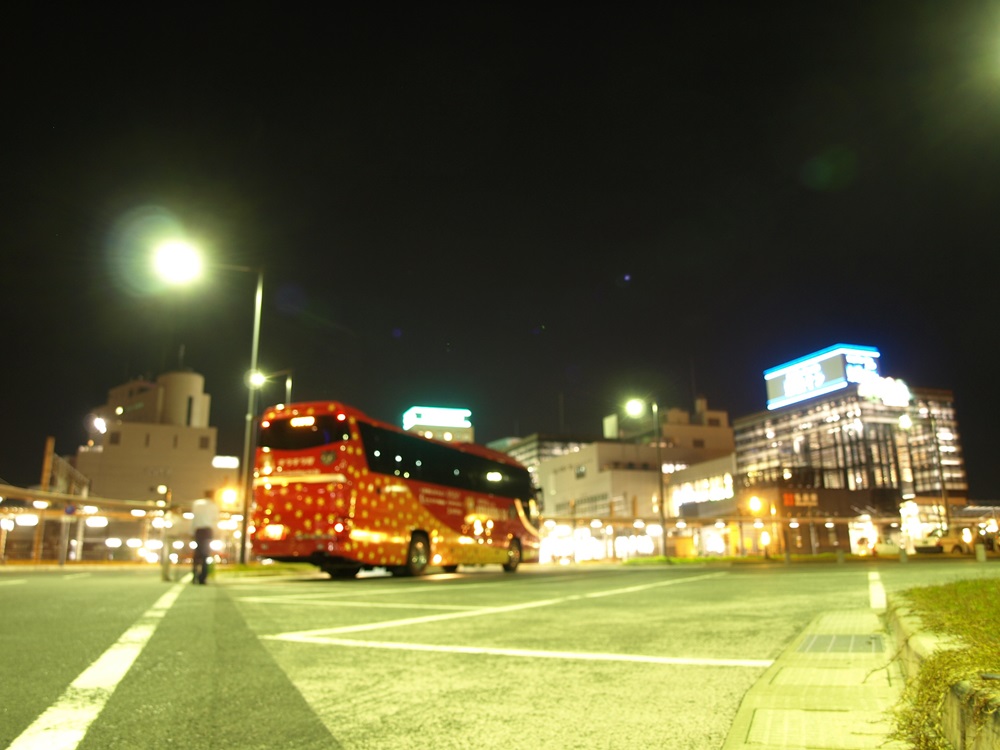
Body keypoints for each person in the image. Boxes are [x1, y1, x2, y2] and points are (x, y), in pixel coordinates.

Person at [190, 498, 219, 584]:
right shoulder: (213, 505)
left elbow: (194, 518)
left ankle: (195, 574)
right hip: (207, 530)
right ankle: (203, 577)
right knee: (205, 554)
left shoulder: (197, 503)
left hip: (198, 530)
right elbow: (215, 519)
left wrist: (191, 531)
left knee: (197, 553)